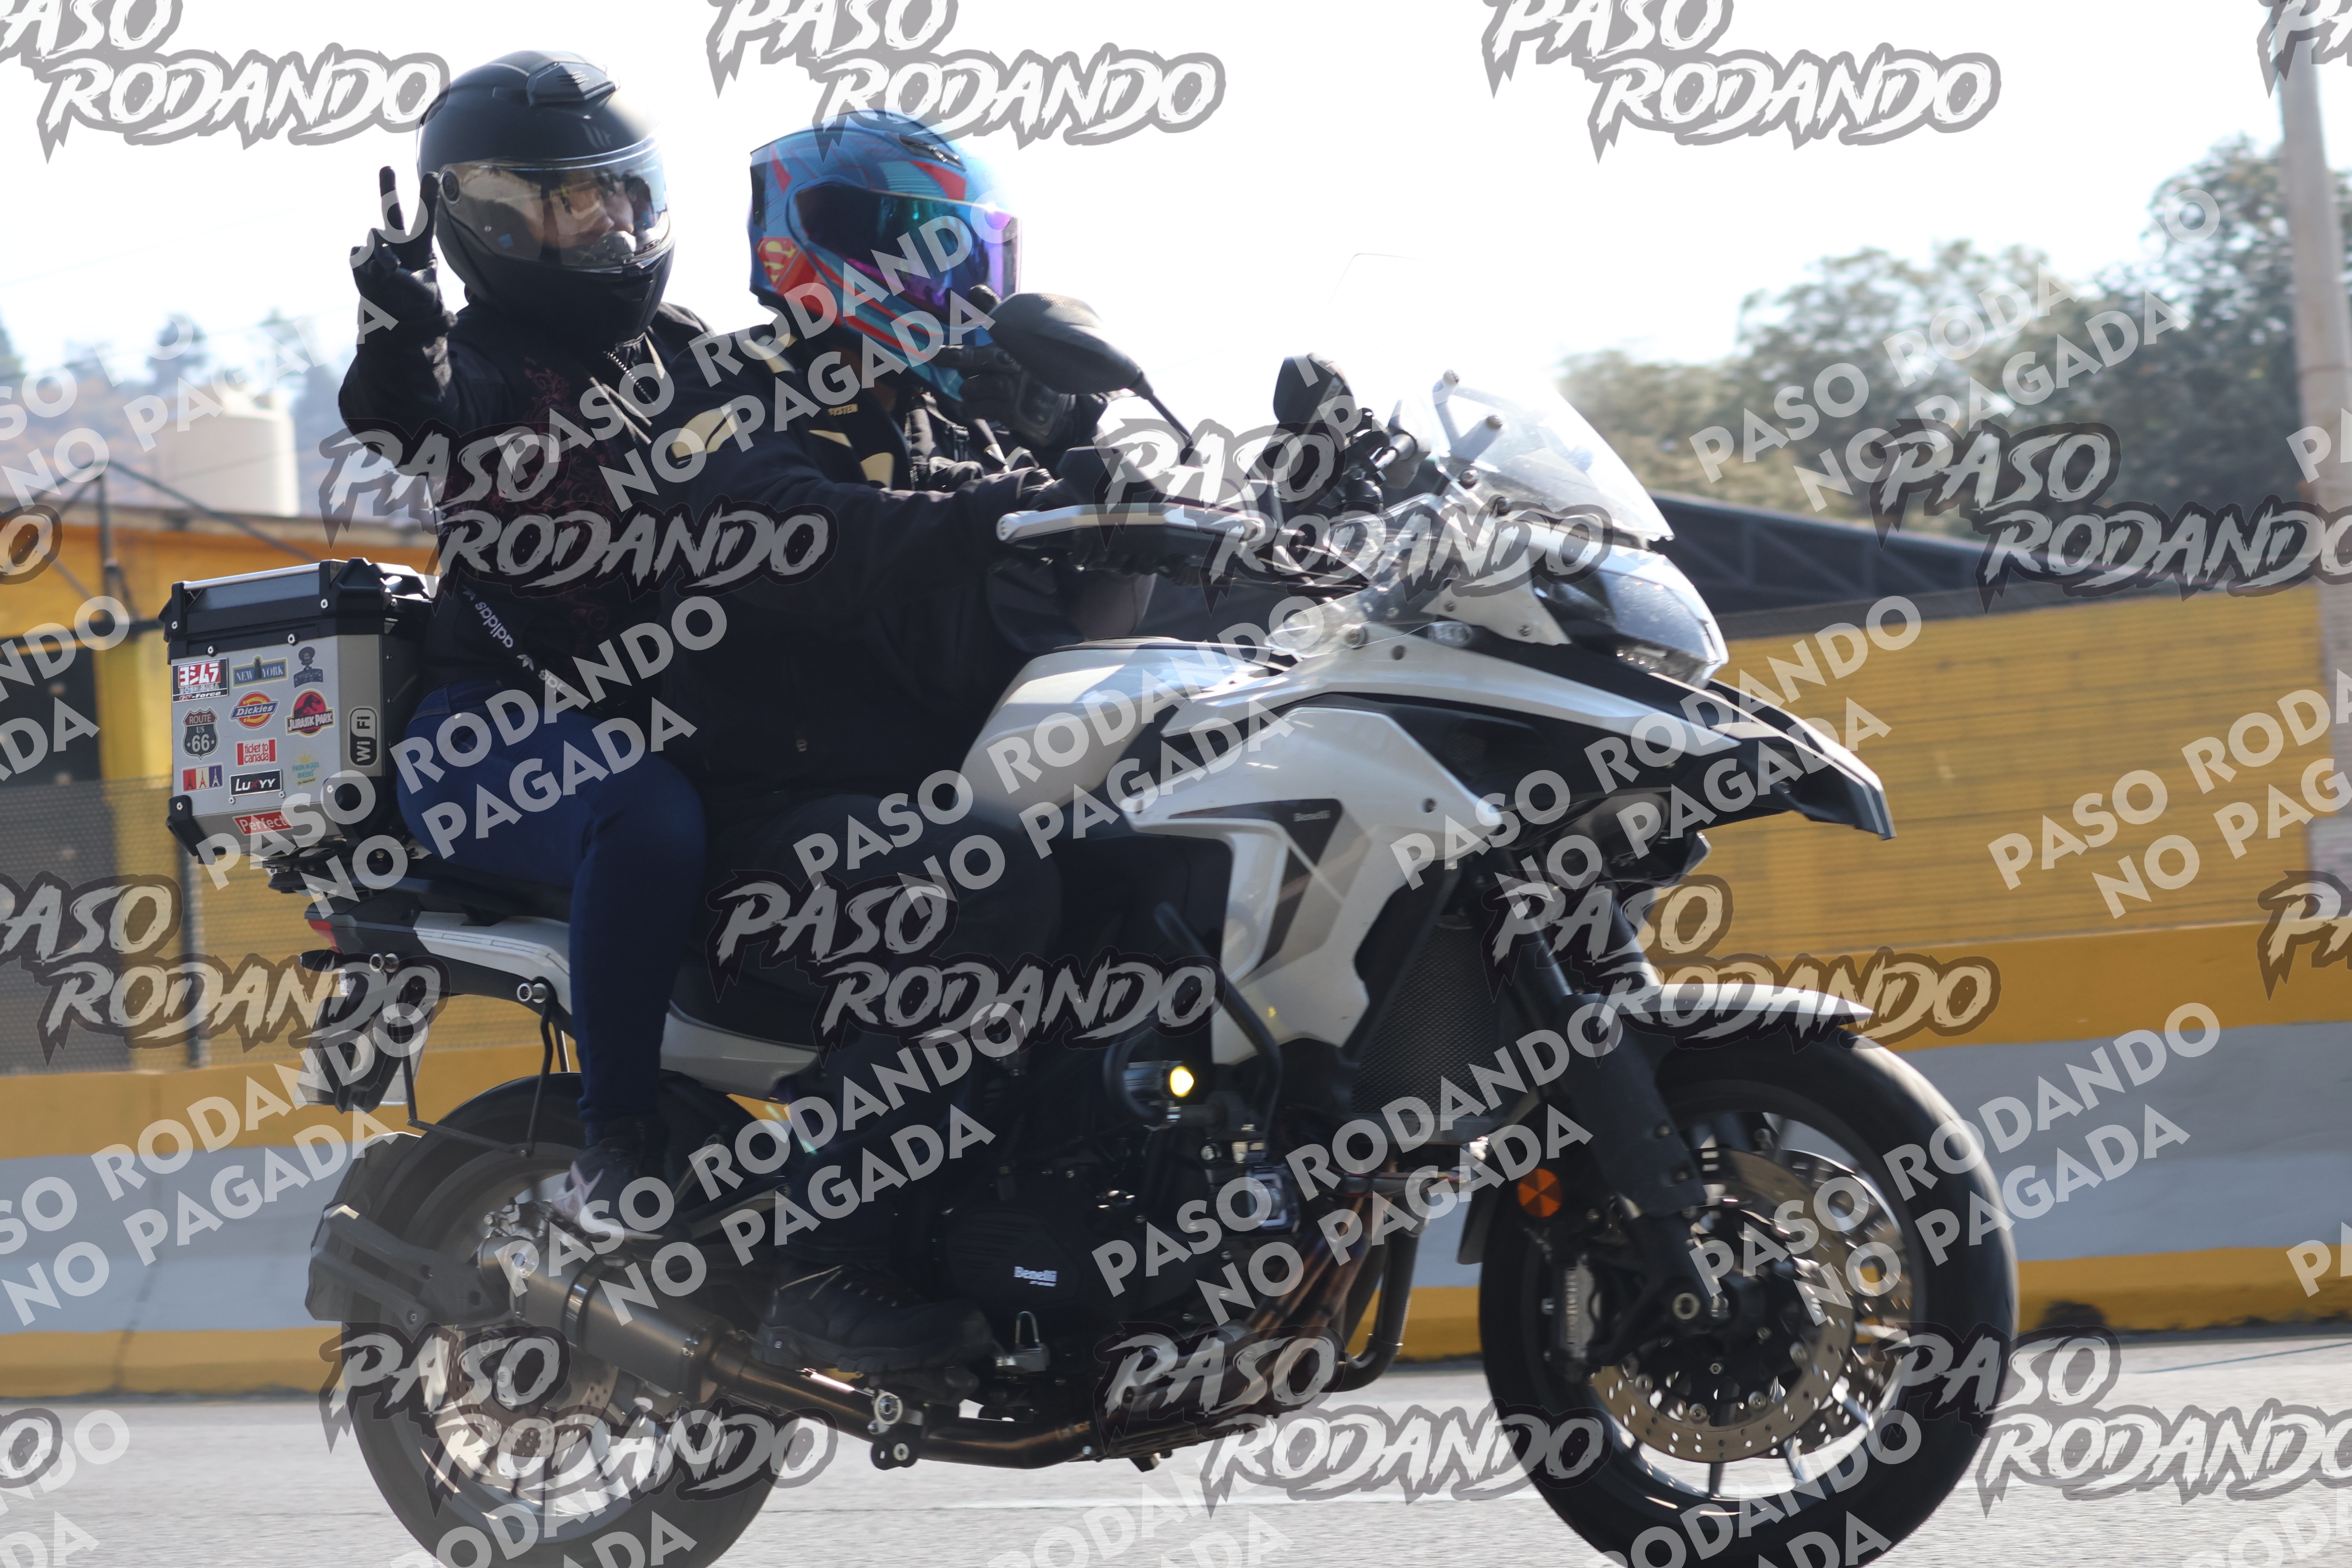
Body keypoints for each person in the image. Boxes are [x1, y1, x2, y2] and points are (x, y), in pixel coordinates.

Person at [659, 111, 1151, 1374]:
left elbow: (1039, 542)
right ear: (821, 245)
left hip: (926, 798)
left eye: (966, 247)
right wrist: (1009, 508)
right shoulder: (726, 396)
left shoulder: (948, 420)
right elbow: (804, 533)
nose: (952, 277)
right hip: (765, 827)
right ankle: (826, 1269)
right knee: (977, 883)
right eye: (923, 245)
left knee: (1158, 865)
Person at [339, 50, 714, 1234]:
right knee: (649, 818)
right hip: (487, 736)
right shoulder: (487, 362)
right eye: (570, 201)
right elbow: (409, 411)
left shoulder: (684, 351)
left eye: (621, 191)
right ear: (490, 219)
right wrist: (403, 327)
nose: (610, 222)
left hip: (657, 714)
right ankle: (619, 1145)